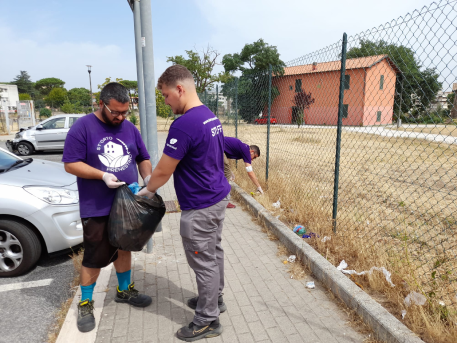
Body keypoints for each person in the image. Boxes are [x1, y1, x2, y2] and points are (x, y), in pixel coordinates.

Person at [137, 65, 230, 341]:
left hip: (200, 207)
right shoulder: (210, 116)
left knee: (203, 262)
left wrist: (148, 190)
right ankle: (215, 300)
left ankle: (207, 320)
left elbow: (164, 171)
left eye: (166, 95)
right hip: (216, 198)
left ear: (180, 89)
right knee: (214, 252)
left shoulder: (185, 123)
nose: (166, 102)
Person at [62, 83, 154, 333]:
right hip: (97, 206)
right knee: (95, 255)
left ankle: (124, 291)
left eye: (125, 112)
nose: (121, 117)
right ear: (101, 104)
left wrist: (148, 180)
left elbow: (142, 158)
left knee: (124, 247)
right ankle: (85, 302)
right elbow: (70, 164)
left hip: (127, 204)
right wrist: (102, 175)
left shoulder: (130, 128)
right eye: (115, 112)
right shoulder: (83, 127)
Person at [224, 137, 263, 208]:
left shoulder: (243, 148)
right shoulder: (246, 151)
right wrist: (259, 187)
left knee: (223, 173)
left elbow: (226, 154)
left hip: (216, 145)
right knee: (227, 174)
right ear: (252, 152)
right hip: (216, 146)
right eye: (254, 157)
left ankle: (216, 195)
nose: (253, 160)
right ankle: (224, 201)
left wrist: (229, 170)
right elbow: (250, 172)